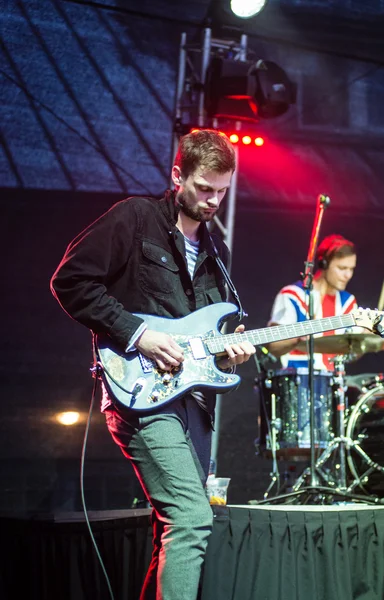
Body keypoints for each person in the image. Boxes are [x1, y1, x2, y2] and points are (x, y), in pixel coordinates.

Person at [50, 129, 255, 600]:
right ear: (177, 174)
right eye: (205, 188)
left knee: (174, 527)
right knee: (190, 515)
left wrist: (230, 349)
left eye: (222, 192)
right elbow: (71, 281)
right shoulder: (134, 218)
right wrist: (139, 334)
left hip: (192, 402)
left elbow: (206, 342)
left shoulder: (215, 255)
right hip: (141, 394)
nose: (213, 201)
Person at [266, 234, 357, 370]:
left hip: (334, 383)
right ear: (324, 264)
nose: (348, 275)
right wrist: (298, 338)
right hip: (296, 381)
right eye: (342, 268)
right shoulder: (293, 295)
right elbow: (273, 346)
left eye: (351, 269)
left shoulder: (348, 303)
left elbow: (354, 350)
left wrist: (367, 341)